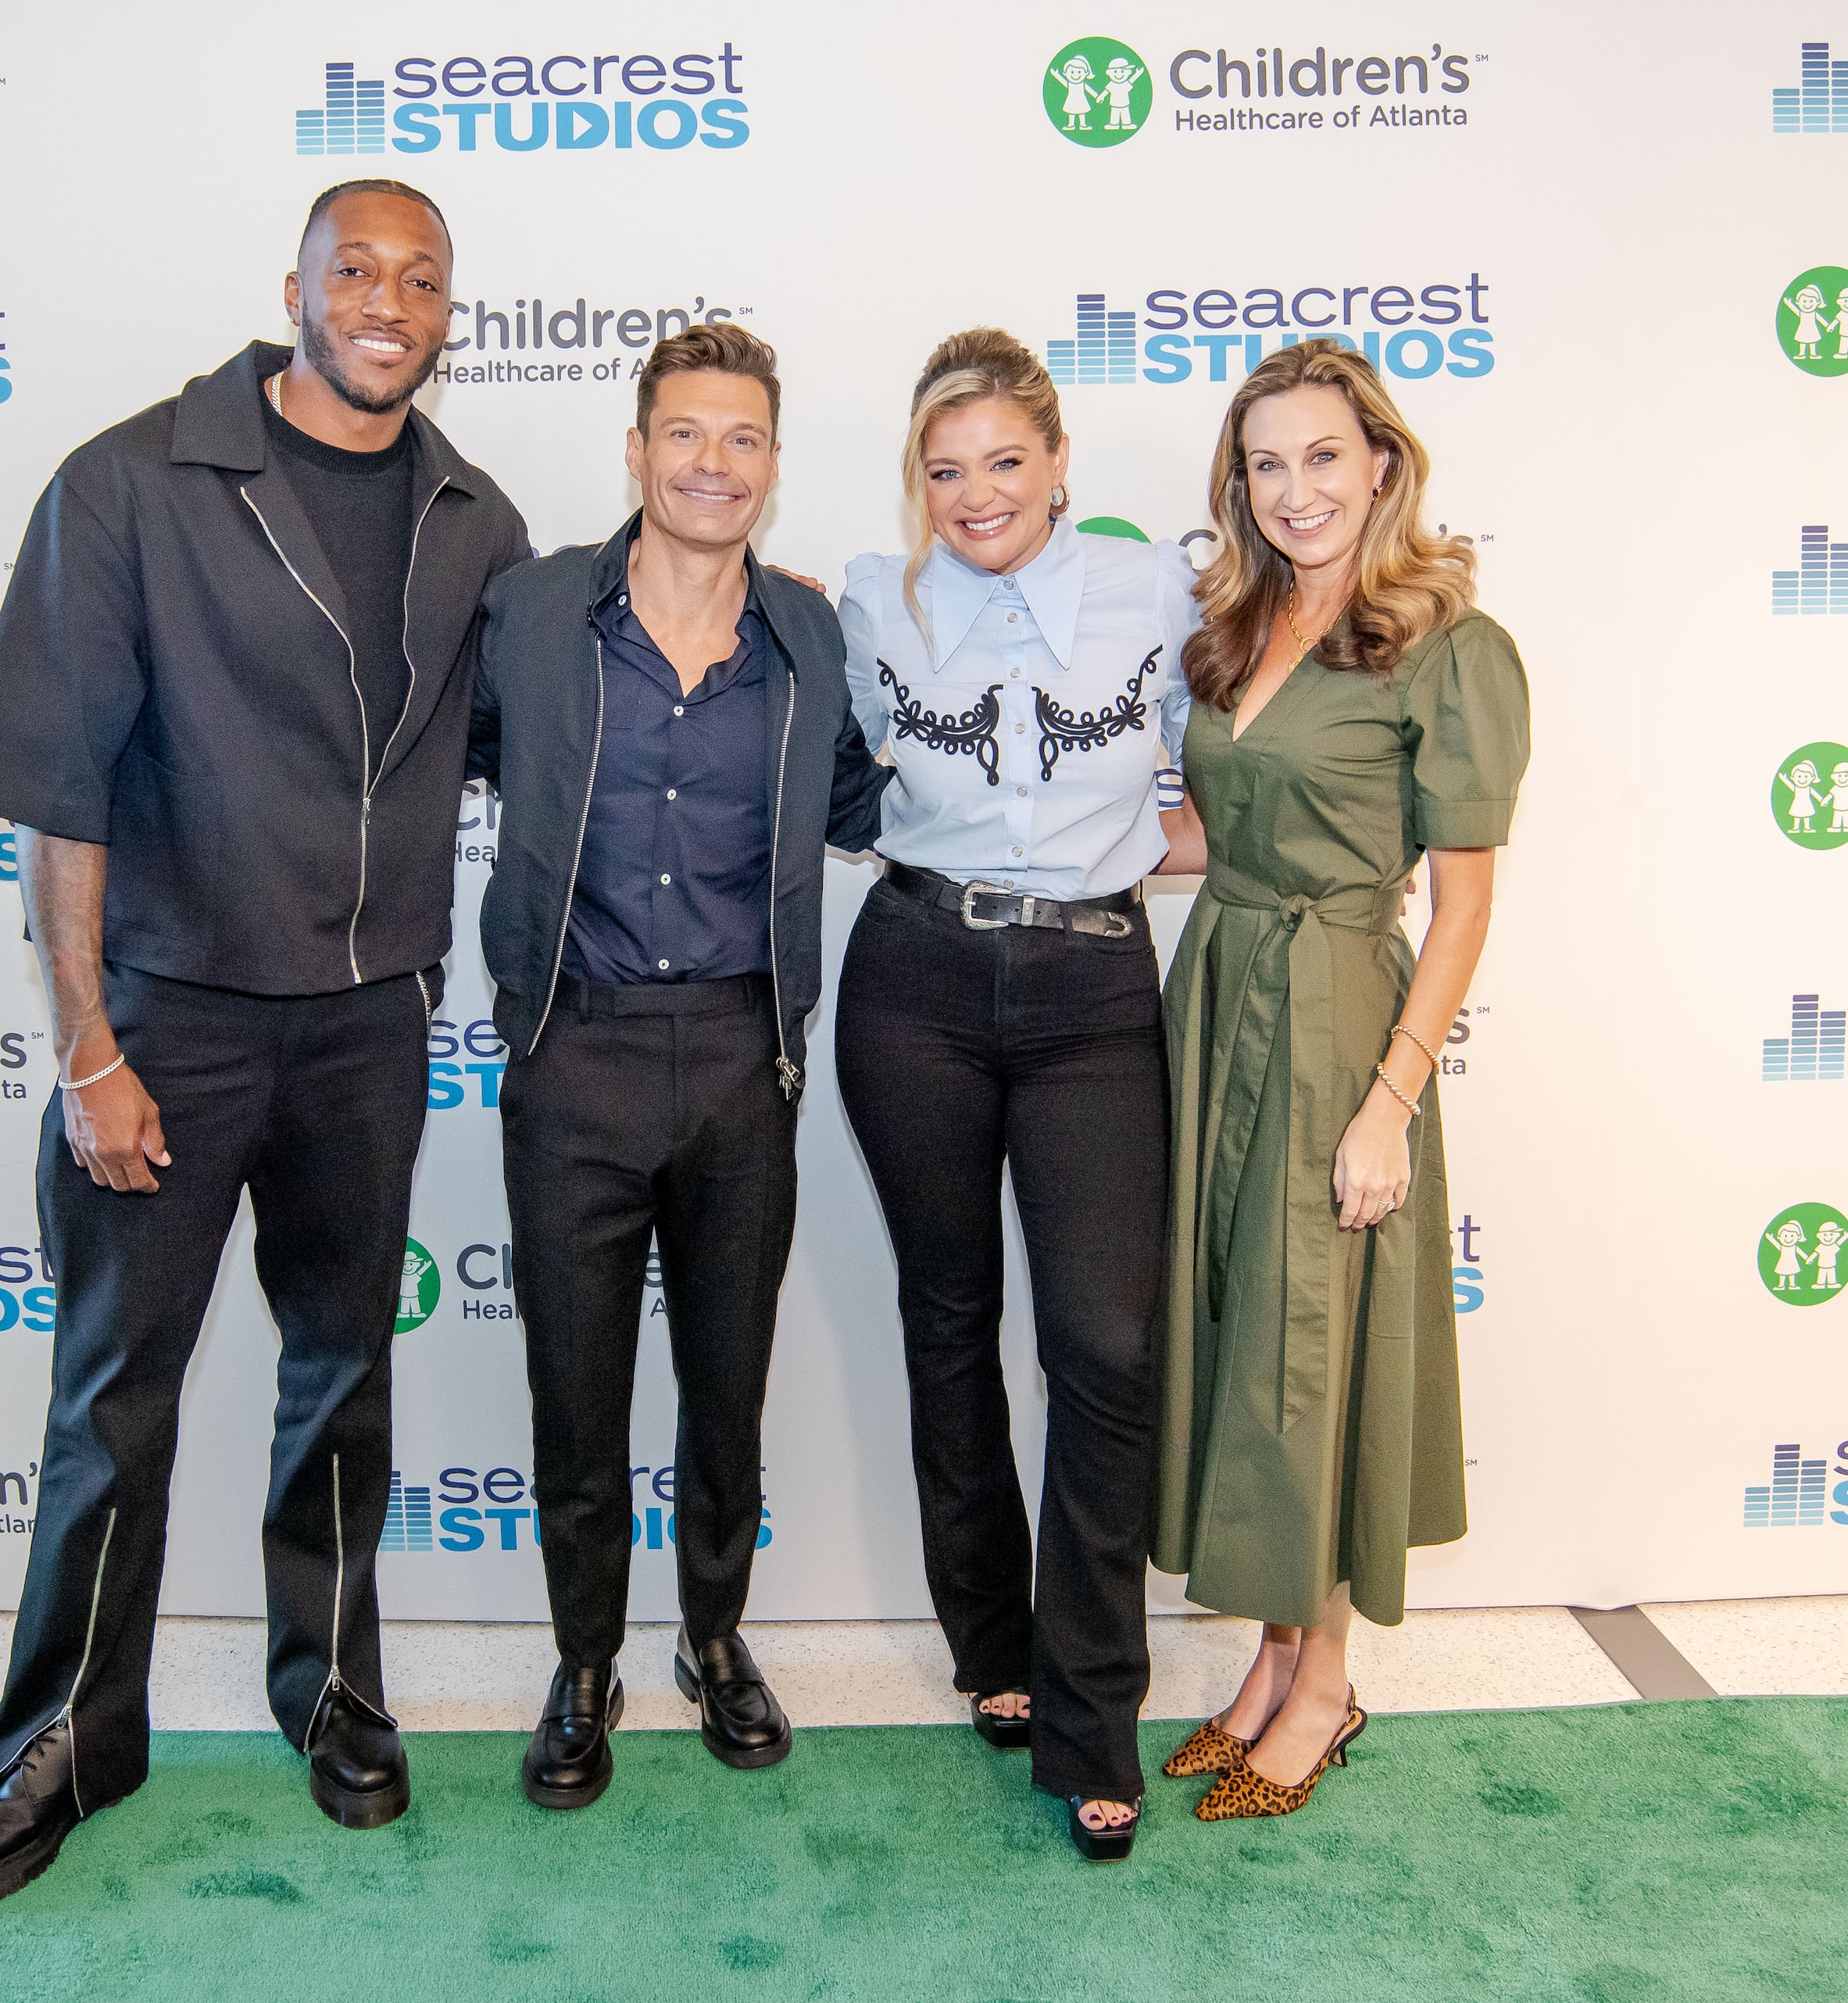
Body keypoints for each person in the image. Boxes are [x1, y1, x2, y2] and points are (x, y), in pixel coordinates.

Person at [0, 179, 527, 1910]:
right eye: (358, 269)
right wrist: (88, 1047)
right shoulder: (129, 483)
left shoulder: (469, 515)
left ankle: (330, 1686)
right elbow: (56, 792)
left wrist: (724, 591)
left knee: (343, 1372)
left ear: (447, 310)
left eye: (422, 278)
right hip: (168, 1025)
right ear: (296, 288)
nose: (388, 299)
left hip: (365, 1027)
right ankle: (60, 1741)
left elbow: (546, 711)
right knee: (115, 1396)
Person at [467, 322, 885, 1811]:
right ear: (636, 452)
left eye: (744, 439)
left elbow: (857, 805)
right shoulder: (524, 614)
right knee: (574, 1394)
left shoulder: (813, 635)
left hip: (737, 1059)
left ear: (773, 467)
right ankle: (586, 1665)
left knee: (727, 1385)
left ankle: (715, 1637)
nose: (713, 463)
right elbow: (424, 764)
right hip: (570, 1051)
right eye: (686, 434)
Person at [1149, 337, 1528, 1822]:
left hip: (1337, 1021)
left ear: (1382, 462)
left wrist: (1391, 1096)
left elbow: (1469, 900)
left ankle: (1326, 1686)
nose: (1295, 489)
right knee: (1242, 1331)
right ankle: (1269, 1655)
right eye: (1265, 463)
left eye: (1321, 456)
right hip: (1218, 996)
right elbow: (1209, 846)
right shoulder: (1243, 623)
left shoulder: (1446, 642)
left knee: (1316, 1346)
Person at [833, 327, 1196, 1862]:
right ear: (916, 483)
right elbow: (842, 765)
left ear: (1057, 467)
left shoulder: (1155, 594)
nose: (975, 492)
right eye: (943, 468)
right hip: (914, 971)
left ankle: (1090, 1702)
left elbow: (1200, 785)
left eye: (1002, 460)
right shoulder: (873, 598)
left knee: (1106, 1345)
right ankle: (990, 1642)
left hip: (1092, 989)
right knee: (946, 1316)